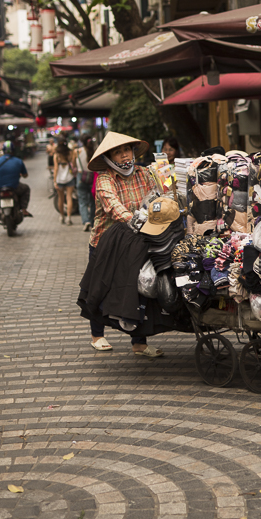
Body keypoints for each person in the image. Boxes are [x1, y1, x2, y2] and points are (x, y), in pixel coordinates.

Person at [87, 131, 163, 358]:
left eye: (127, 150)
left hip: (136, 242)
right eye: (118, 152)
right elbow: (113, 206)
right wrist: (135, 219)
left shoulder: (145, 173)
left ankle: (139, 343)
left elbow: (159, 195)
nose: (124, 155)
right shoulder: (105, 179)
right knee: (98, 288)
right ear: (110, 157)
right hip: (105, 242)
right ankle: (96, 335)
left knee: (139, 288)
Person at [0, 141, 32, 220]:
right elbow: (25, 175)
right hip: (15, 187)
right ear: (13, 150)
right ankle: (24, 210)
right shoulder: (19, 161)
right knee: (26, 188)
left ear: (3, 150)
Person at [75, 135, 95, 232]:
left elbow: (74, 165)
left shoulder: (77, 151)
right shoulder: (94, 151)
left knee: (82, 201)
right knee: (92, 202)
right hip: (92, 177)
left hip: (81, 177)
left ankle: (85, 221)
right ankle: (92, 221)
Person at [54, 140, 75, 226]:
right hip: (69, 177)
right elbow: (74, 164)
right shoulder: (69, 153)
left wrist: (54, 181)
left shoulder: (56, 155)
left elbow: (55, 169)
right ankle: (68, 218)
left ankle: (62, 216)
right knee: (69, 197)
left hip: (60, 179)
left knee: (60, 198)